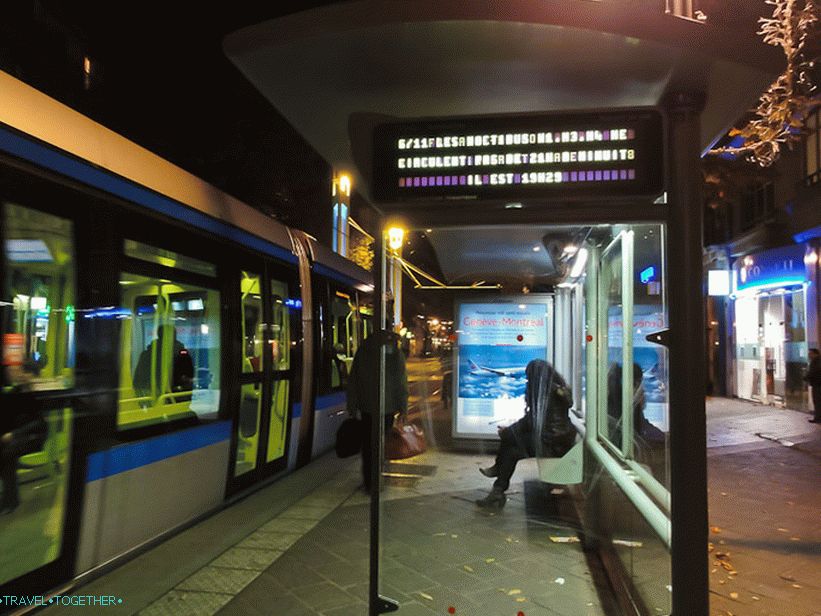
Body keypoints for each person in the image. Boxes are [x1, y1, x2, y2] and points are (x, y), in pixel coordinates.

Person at [476, 359, 576, 510]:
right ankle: (497, 488)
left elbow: (531, 421)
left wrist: (508, 431)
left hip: (552, 443)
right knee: (511, 445)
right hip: (556, 440)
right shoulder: (556, 388)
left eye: (529, 378)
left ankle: (498, 485)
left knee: (510, 445)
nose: (528, 381)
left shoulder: (544, 393)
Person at [346, 325, 408, 492]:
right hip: (387, 408)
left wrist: (352, 405)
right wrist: (403, 407)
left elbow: (353, 380)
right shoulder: (395, 353)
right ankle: (376, 478)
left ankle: (369, 481)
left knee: (368, 445)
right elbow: (401, 383)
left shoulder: (363, 350)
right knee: (381, 444)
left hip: (367, 407)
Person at [133, 325, 194, 404]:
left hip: (153, 399)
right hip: (179, 397)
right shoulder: (182, 354)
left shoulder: (147, 354)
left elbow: (138, 380)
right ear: (174, 335)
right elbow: (189, 375)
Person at [805, 348, 821, 423]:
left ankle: (818, 418)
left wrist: (806, 377)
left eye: (810, 353)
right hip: (816, 383)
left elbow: (814, 372)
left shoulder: (816, 361)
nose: (809, 355)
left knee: (817, 401)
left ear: (815, 354)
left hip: (817, 384)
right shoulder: (815, 361)